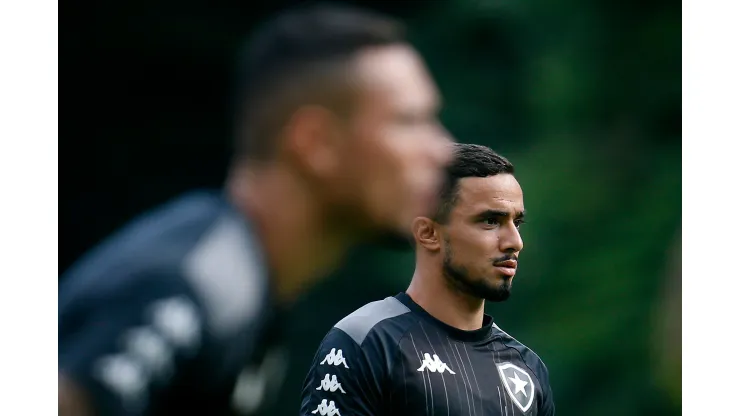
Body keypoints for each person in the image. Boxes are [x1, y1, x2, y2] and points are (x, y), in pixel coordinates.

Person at [58, 4, 451, 415]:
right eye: (410, 121)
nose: (442, 152)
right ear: (315, 143)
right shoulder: (196, 284)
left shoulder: (246, 288)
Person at [299, 143, 555, 416]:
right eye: (490, 221)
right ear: (428, 233)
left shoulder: (527, 368)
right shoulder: (365, 342)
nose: (515, 242)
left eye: (517, 223)